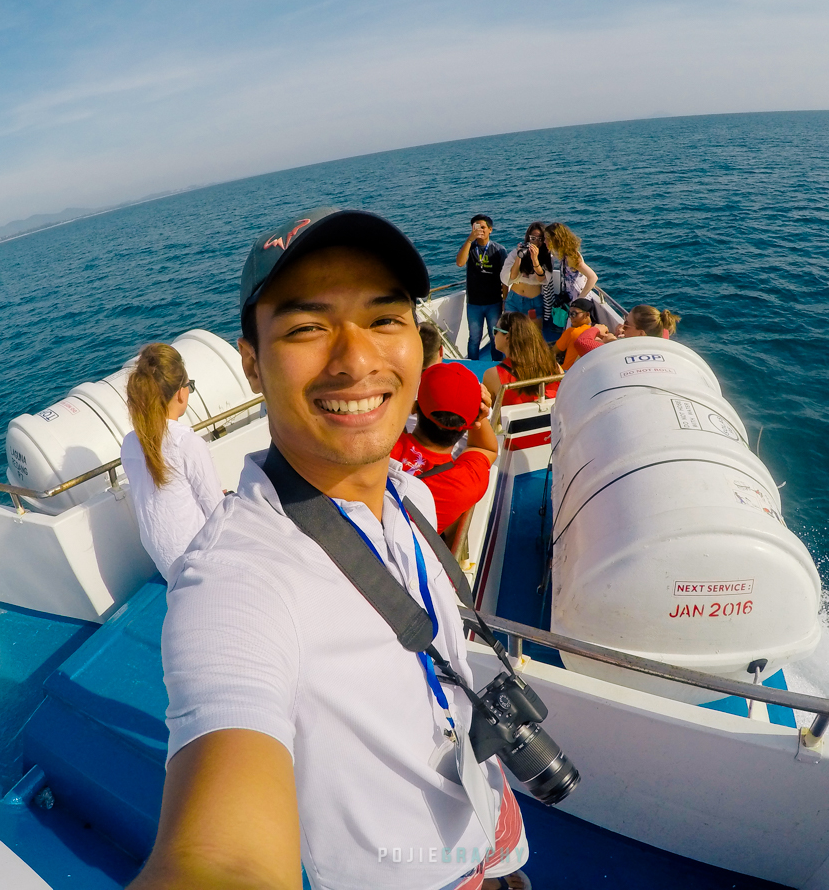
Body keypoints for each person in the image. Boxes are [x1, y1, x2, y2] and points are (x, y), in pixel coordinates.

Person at [130, 207, 529, 890]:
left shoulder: (410, 494)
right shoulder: (233, 582)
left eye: (384, 319)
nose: (356, 359)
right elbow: (219, 860)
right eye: (307, 328)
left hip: (490, 812)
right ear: (252, 365)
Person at [119, 343, 224, 580]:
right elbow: (217, 511)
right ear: (180, 393)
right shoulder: (187, 443)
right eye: (190, 386)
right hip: (198, 562)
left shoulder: (130, 443)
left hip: (166, 564)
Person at [391, 362, 498, 534]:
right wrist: (480, 415)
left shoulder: (377, 448)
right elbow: (486, 449)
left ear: (415, 408)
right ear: (471, 424)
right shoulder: (461, 484)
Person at [483, 312, 562, 407]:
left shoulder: (492, 375)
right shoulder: (554, 366)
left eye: (495, 331)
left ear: (507, 337)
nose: (494, 335)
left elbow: (487, 411)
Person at [455, 214, 506, 361]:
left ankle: (496, 364)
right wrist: (469, 240)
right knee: (474, 338)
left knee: (495, 336)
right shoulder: (469, 247)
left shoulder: (499, 250)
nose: (480, 230)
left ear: (490, 229)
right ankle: (472, 366)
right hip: (474, 303)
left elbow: (505, 278)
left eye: (483, 227)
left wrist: (505, 300)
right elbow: (460, 263)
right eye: (476, 227)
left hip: (494, 302)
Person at [543, 223, 598, 327]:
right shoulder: (563, 256)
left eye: (547, 239)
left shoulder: (572, 257)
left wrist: (579, 300)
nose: (545, 241)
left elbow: (593, 277)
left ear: (555, 240)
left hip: (580, 306)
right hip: (573, 303)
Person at [499, 222, 552, 324]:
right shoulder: (516, 252)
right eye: (533, 238)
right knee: (511, 331)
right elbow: (512, 277)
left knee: (534, 332)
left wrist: (535, 259)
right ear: (528, 238)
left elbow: (541, 279)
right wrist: (519, 256)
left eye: (540, 239)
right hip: (514, 299)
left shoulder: (547, 256)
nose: (536, 242)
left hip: (533, 302)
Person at [549, 297, 596, 372]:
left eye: (574, 314)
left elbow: (553, 352)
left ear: (587, 314)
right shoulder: (597, 331)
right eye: (569, 314)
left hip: (567, 372)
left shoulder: (572, 332)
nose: (571, 317)